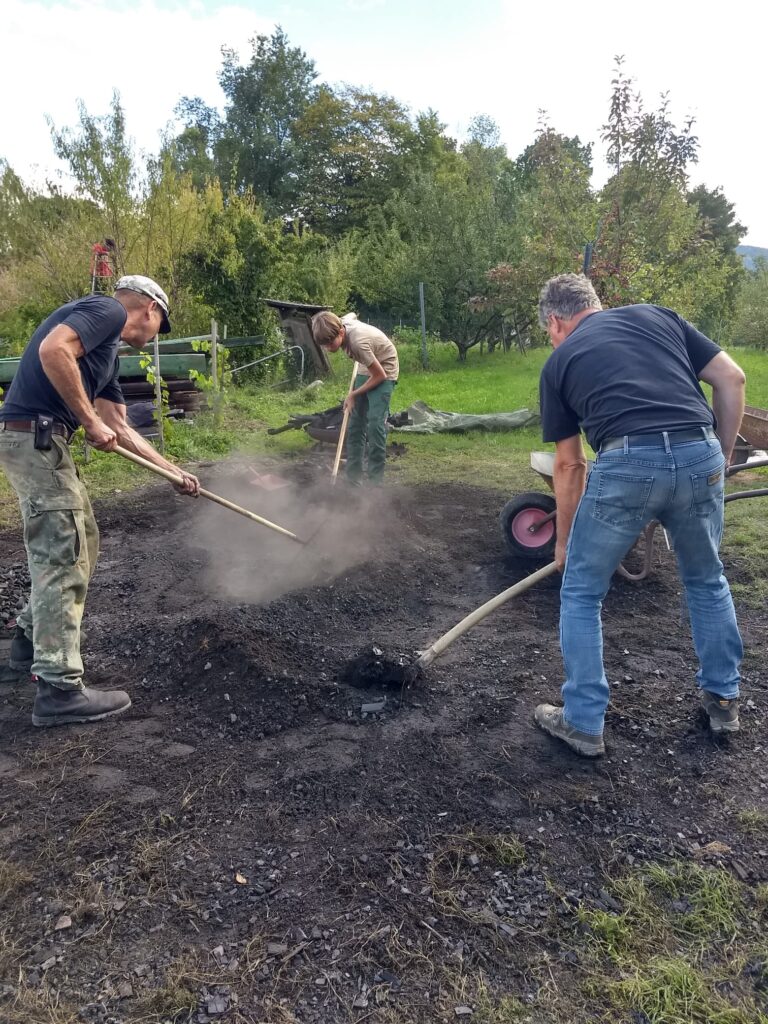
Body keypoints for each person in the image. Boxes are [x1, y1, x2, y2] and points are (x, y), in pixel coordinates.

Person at [533, 273, 746, 757]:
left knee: (583, 591)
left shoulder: (559, 360)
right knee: (707, 579)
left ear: (555, 320)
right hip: (700, 452)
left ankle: (583, 722)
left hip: (627, 462)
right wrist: (722, 457)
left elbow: (569, 464)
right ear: (596, 305)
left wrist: (564, 542)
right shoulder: (658, 315)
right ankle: (723, 701)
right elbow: (732, 378)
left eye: (548, 330)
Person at [0, 275, 200, 728]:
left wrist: (173, 473)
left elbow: (121, 427)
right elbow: (54, 352)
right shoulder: (106, 312)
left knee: (82, 544)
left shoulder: (106, 355)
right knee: (62, 553)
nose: (154, 336)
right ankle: (58, 689)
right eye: (160, 325)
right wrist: (89, 421)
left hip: (43, 442)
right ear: (150, 309)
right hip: (35, 437)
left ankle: (27, 648)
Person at [310, 311, 399, 485]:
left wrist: (353, 394)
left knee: (374, 424)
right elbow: (351, 316)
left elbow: (379, 375)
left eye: (330, 343)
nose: (328, 348)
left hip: (385, 370)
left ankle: (375, 483)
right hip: (367, 367)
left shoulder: (358, 343)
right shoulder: (341, 324)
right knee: (355, 425)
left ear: (341, 333)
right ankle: (353, 480)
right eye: (324, 345)